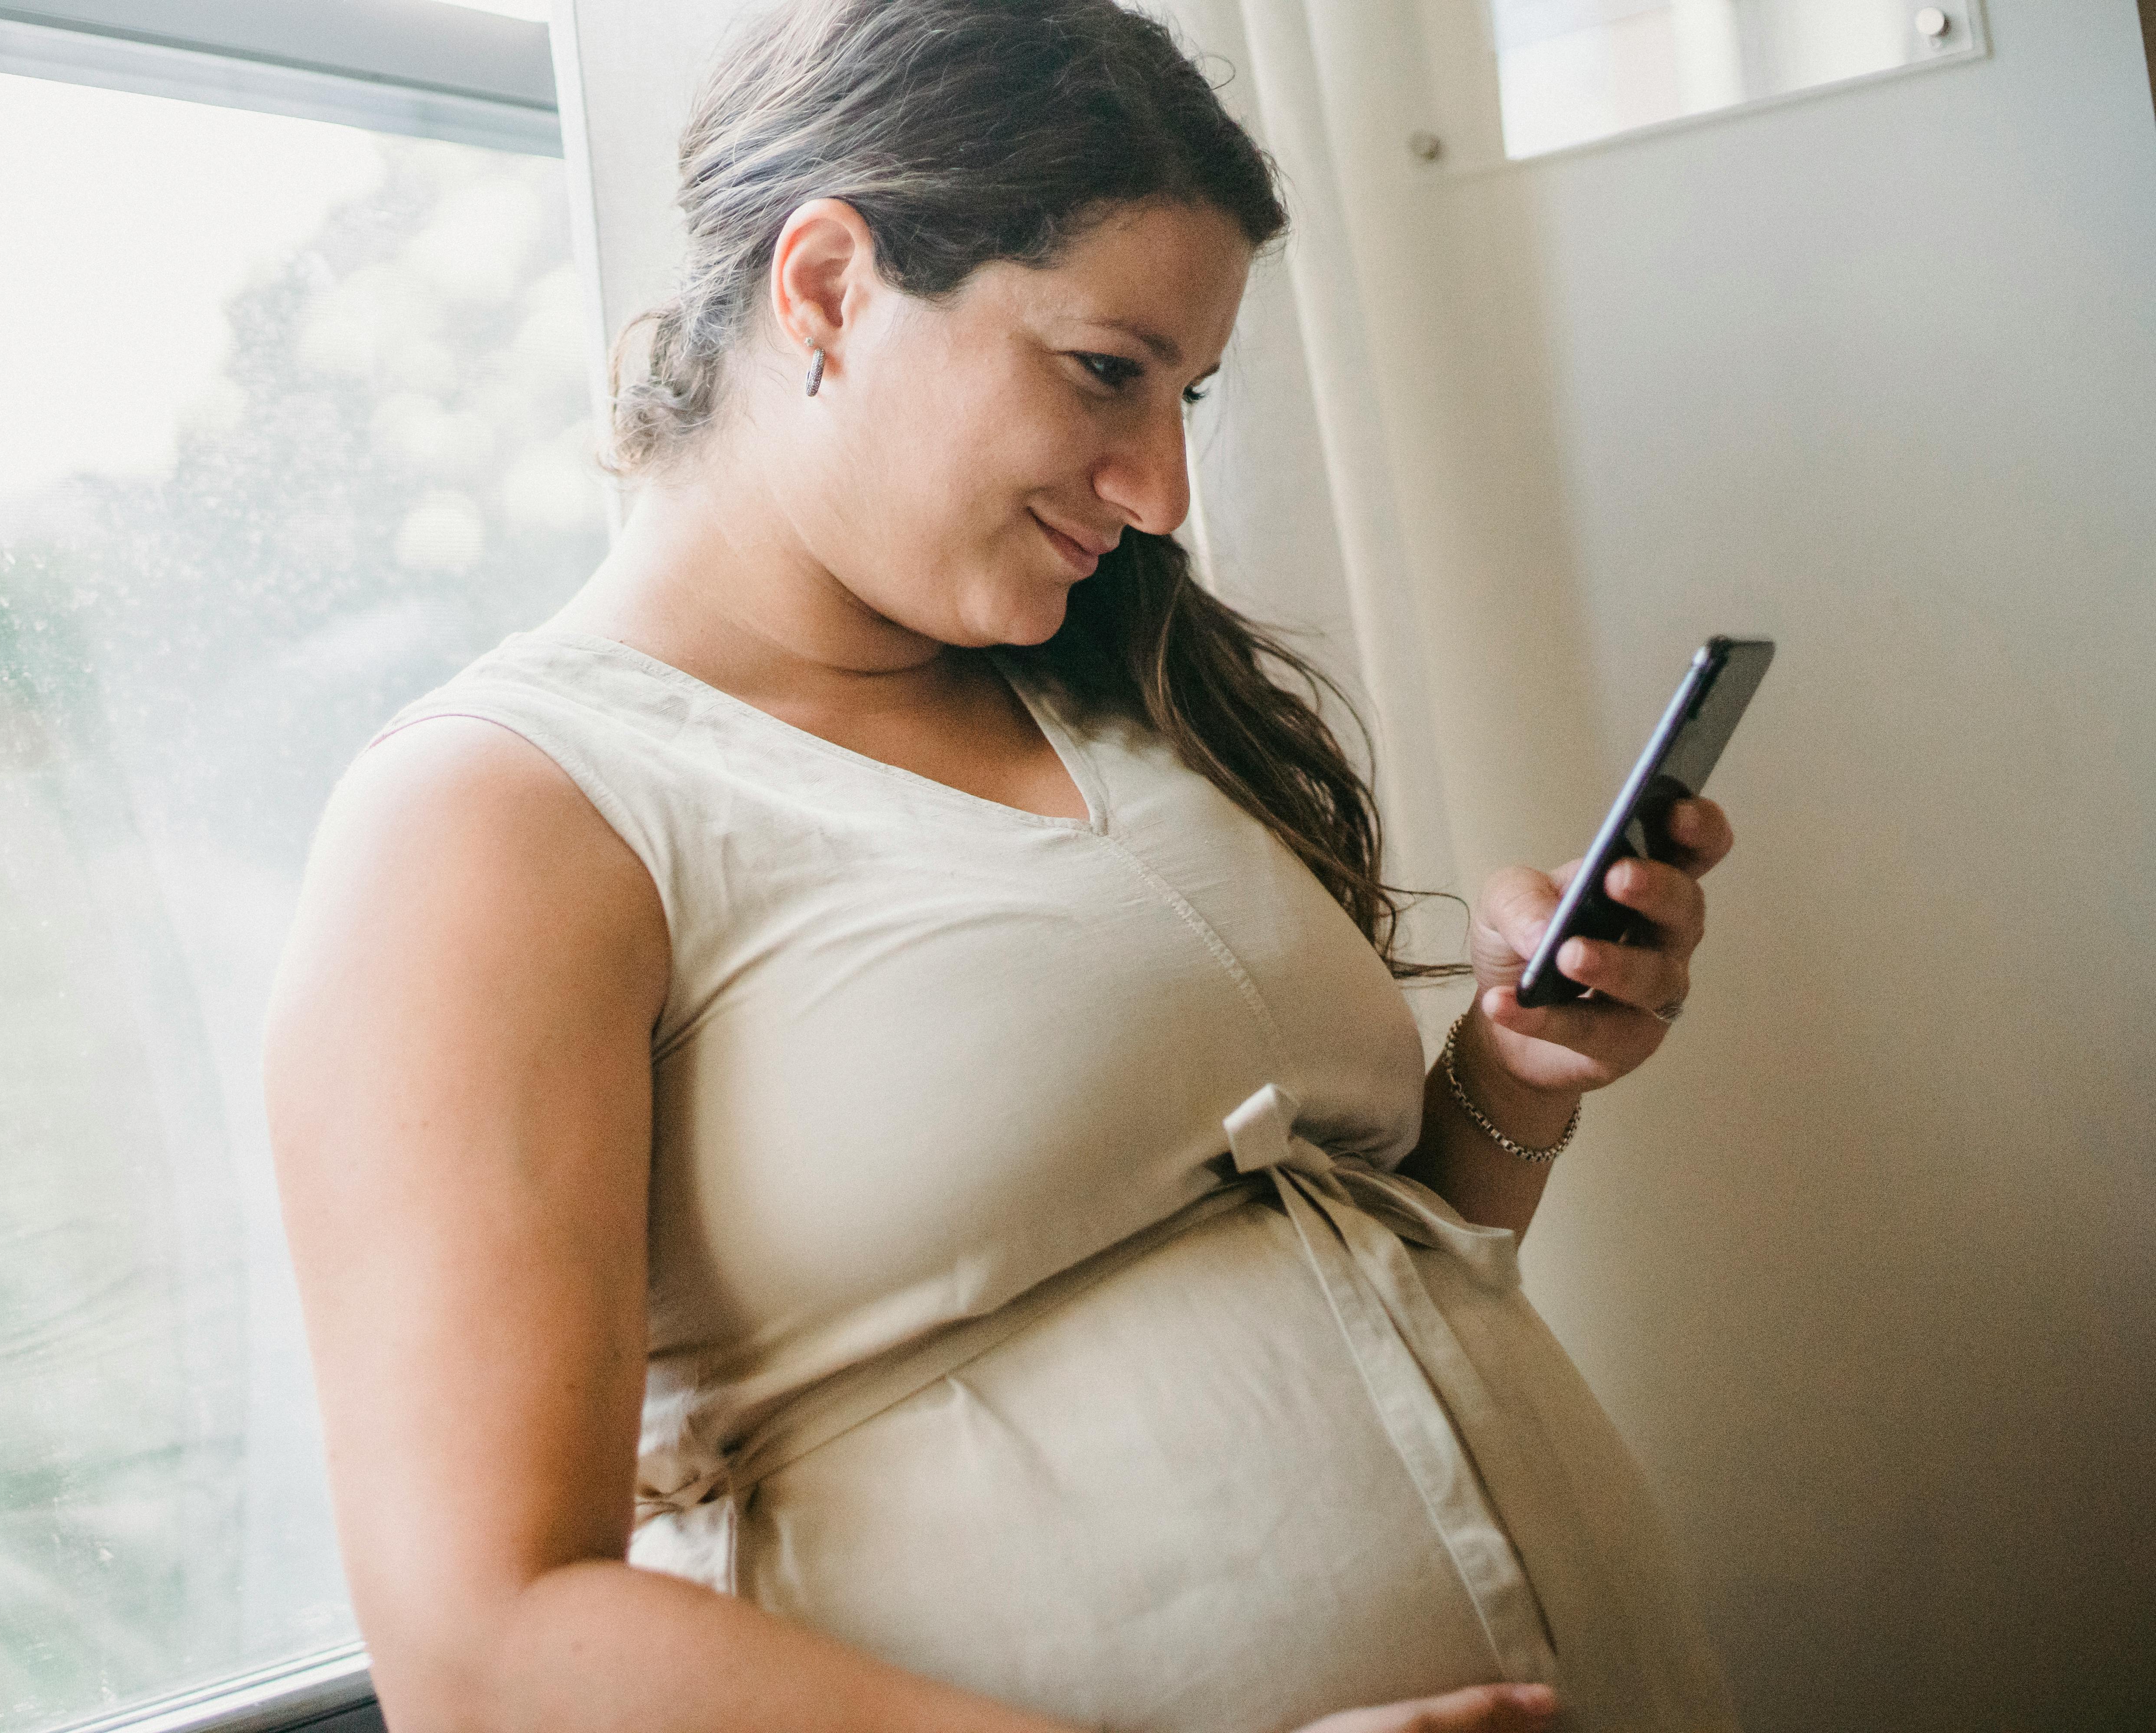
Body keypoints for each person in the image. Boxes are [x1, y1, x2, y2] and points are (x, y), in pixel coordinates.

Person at [263, 2, 1742, 1729]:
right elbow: (487, 1652)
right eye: (1107, 371)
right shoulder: (502, 817)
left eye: (1188, 395)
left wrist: (1518, 1073)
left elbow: (1365, 1249)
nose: (1165, 487)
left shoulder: (1104, 682)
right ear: (826, 285)